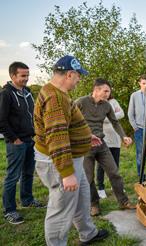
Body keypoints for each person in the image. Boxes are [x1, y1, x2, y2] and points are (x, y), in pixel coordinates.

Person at [34, 55, 108, 245]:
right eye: (78, 76)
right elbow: (56, 138)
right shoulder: (55, 98)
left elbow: (63, 127)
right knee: (61, 208)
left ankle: (88, 233)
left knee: (82, 197)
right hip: (61, 162)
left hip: (73, 158)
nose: (79, 80)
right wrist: (66, 173)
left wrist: (85, 137)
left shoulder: (57, 91)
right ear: (69, 74)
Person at [76, 78, 135, 216]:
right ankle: (94, 204)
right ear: (96, 90)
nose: (108, 94)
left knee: (114, 172)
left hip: (101, 144)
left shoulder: (107, 106)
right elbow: (69, 119)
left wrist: (123, 136)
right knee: (89, 178)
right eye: (105, 91)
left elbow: (115, 122)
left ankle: (123, 201)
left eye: (109, 92)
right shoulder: (81, 102)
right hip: (85, 146)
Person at [0, 62, 44, 225]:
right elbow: (1, 121)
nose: (26, 78)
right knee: (13, 176)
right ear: (13, 76)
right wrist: (14, 139)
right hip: (16, 142)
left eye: (27, 75)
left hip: (30, 140)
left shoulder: (27, 92)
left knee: (28, 173)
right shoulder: (6, 94)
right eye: (23, 75)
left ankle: (27, 199)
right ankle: (9, 210)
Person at [96, 92, 125, 199]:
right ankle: (101, 188)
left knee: (115, 164)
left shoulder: (113, 101)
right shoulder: (97, 103)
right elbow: (100, 118)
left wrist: (108, 115)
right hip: (103, 138)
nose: (106, 93)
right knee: (101, 166)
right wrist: (112, 116)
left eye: (108, 91)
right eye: (104, 91)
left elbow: (122, 113)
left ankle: (115, 186)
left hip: (115, 138)